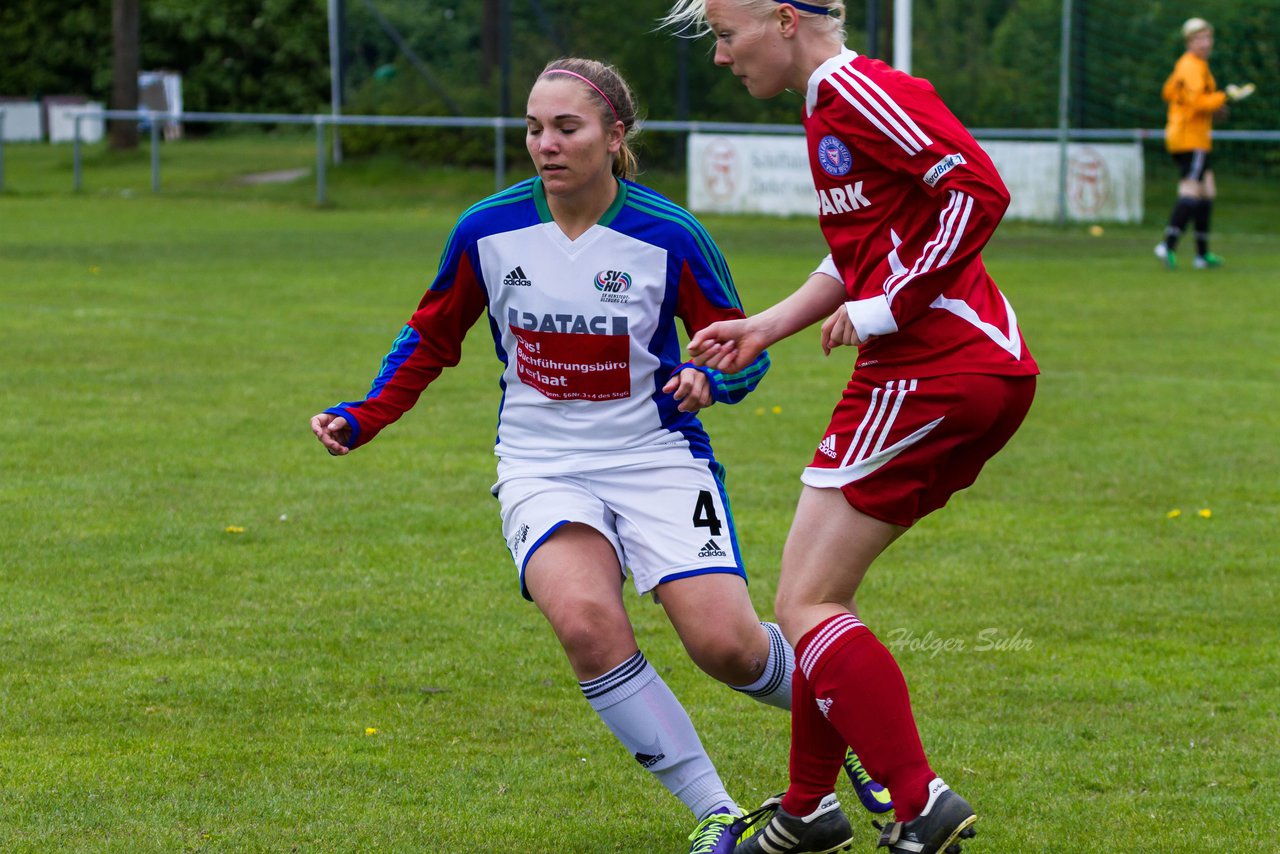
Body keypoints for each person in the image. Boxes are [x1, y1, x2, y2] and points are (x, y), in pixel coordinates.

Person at [311, 56, 800, 854]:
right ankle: (718, 812)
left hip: (657, 458)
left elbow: (743, 350)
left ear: (615, 135)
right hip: (542, 465)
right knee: (583, 619)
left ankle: (859, 738)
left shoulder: (669, 234)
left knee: (728, 647)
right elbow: (432, 335)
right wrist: (364, 415)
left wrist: (709, 377)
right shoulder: (488, 229)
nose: (546, 144)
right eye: (534, 128)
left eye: (567, 127)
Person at [660, 2, 1039, 852]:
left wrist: (889, 307)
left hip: (933, 366)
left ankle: (919, 799)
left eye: (726, 35)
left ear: (785, 21)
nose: (721, 58)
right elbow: (861, 250)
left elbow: (977, 187)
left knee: (805, 602)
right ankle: (805, 812)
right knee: (817, 603)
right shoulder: (826, 104)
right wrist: (767, 325)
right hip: (945, 369)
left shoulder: (858, 88)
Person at [1154, 16, 1256, 270]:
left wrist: (1211, 106)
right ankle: (1167, 245)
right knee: (1190, 191)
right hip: (1190, 138)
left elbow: (1168, 92)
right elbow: (1198, 101)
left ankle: (1202, 255)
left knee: (1207, 192)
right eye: (1199, 38)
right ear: (1189, 42)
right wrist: (1226, 96)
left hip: (1190, 135)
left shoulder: (1190, 65)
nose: (1205, 43)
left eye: (1208, 37)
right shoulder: (1192, 66)